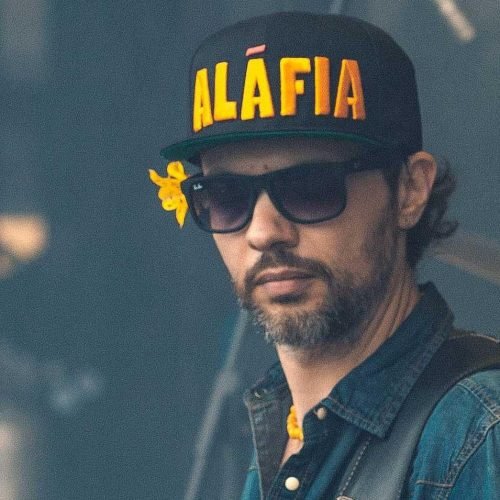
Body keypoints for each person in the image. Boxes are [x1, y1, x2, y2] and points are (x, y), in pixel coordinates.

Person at [149, 12, 500, 499]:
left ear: (409, 190)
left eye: (310, 187)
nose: (263, 232)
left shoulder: (477, 437)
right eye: (227, 196)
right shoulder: (281, 425)